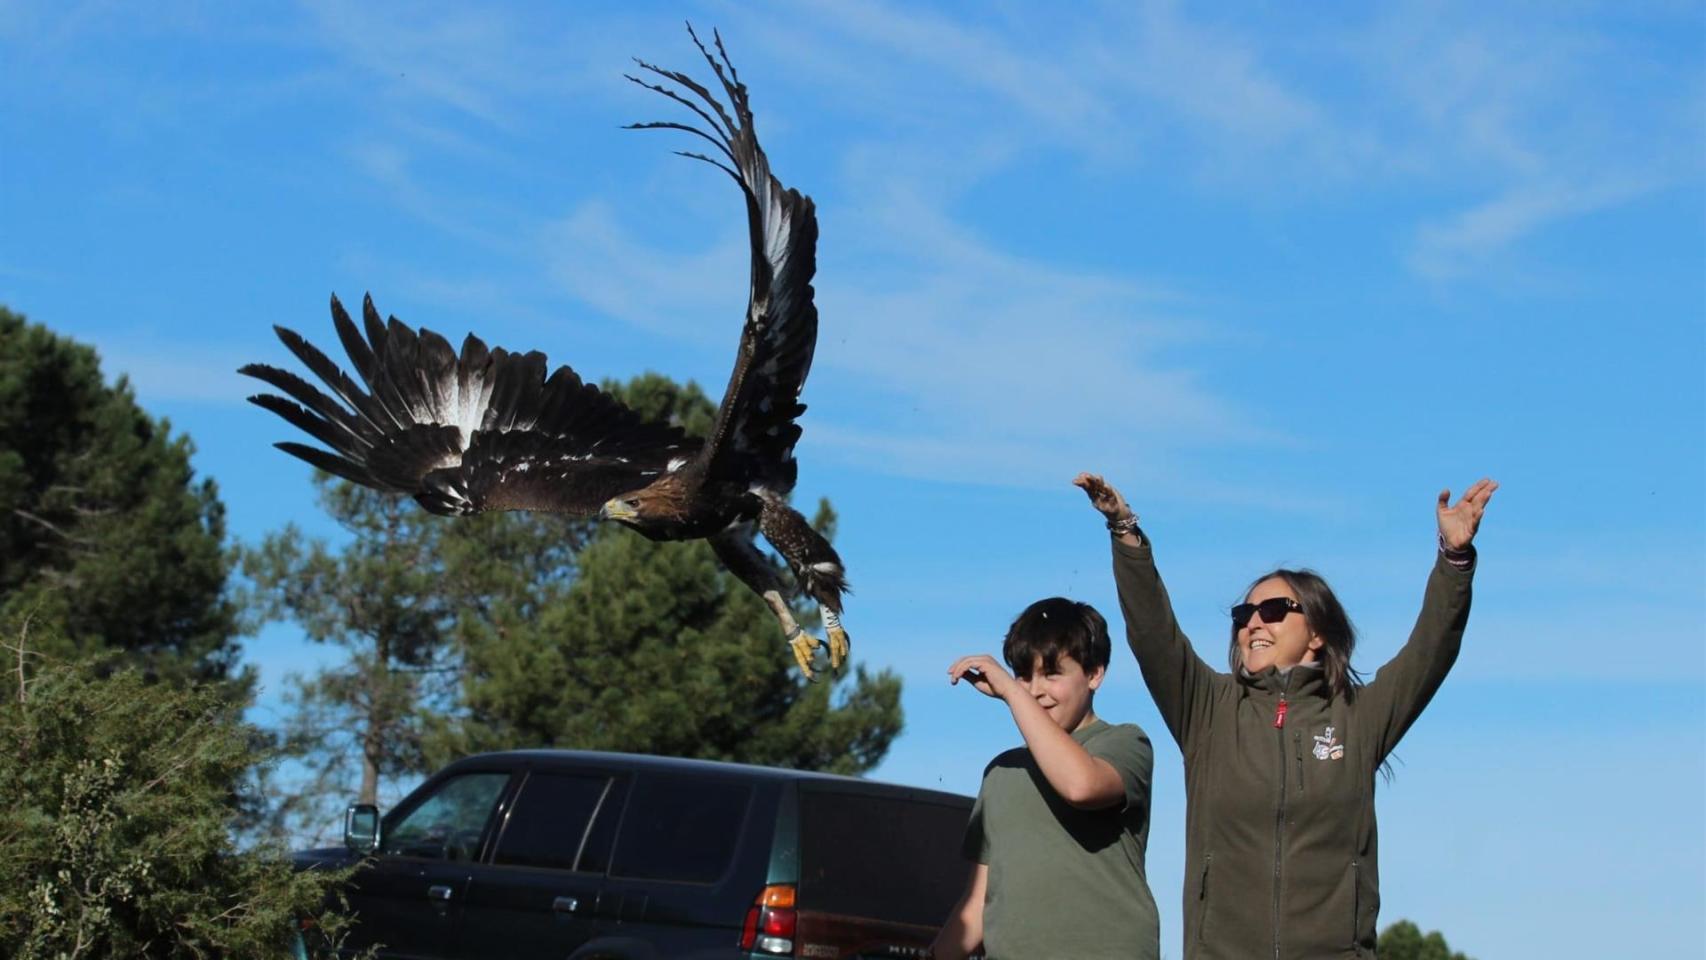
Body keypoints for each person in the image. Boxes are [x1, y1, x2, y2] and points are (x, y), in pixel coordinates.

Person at [1072, 472, 1497, 959]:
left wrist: (1454, 560)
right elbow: (1153, 635)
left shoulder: (1358, 717)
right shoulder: (1207, 709)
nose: (1253, 622)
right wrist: (1125, 531)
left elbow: (1431, 651)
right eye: (1243, 614)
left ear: (1316, 632)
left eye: (1274, 610)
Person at [930, 597, 1161, 960]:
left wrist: (1011, 693)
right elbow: (977, 902)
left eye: (1052, 673)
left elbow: (1080, 786)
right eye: (1024, 675)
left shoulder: (1125, 742)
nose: (1036, 690)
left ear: (1095, 673)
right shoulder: (1001, 773)